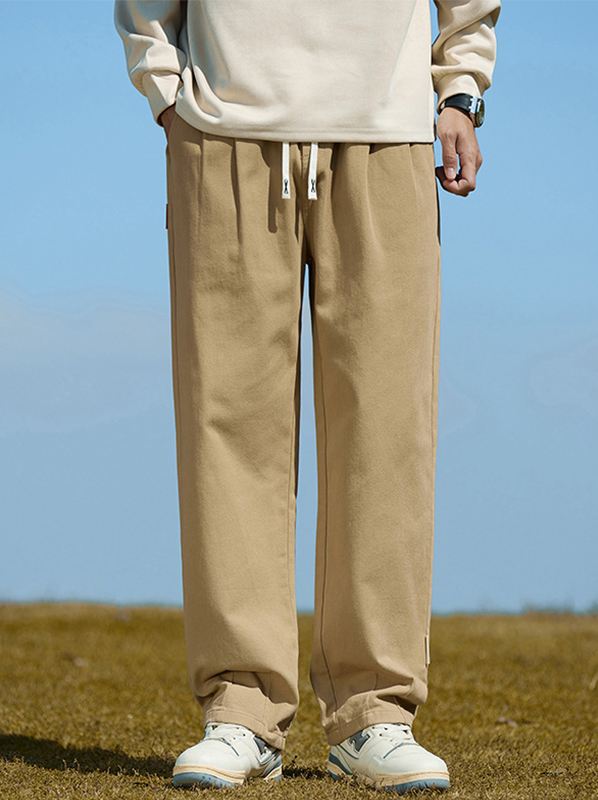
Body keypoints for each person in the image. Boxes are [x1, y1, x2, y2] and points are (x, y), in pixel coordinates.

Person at [115, 0, 500, 792]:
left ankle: (376, 713)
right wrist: (167, 95)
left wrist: (460, 93)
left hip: (388, 128)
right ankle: (240, 707)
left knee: (388, 428)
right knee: (228, 424)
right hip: (224, 125)